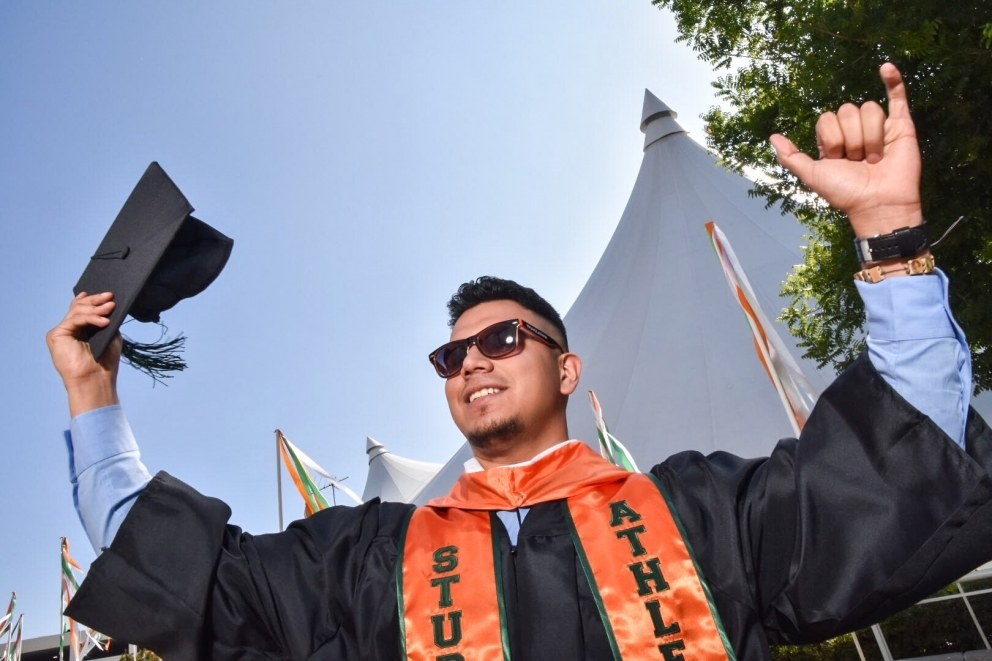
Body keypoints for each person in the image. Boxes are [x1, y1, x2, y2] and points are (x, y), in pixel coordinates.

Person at [48, 64, 992, 660]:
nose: (472, 362)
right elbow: (186, 575)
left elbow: (892, 466)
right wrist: (92, 394)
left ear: (566, 369)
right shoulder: (367, 558)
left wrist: (886, 234)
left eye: (502, 338)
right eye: (452, 352)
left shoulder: (698, 513)